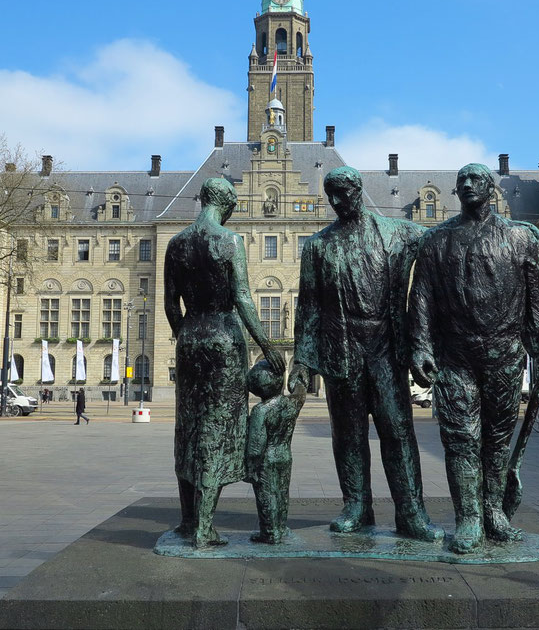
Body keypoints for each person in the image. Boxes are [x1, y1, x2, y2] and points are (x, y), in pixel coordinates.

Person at [409, 163, 539, 554]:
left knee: (495, 439)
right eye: (462, 181)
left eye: (476, 180)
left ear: (491, 189)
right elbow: (421, 297)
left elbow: (535, 297)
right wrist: (421, 347)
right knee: (460, 438)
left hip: (505, 354)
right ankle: (469, 517)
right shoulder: (436, 240)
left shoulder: (520, 238)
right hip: (455, 355)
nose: (467, 185)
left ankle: (493, 508)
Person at [289, 165, 441, 542]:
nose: (336, 202)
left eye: (342, 193)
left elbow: (443, 238)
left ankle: (411, 512)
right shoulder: (319, 246)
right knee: (348, 435)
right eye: (330, 196)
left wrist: (513, 229)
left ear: (358, 190)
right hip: (341, 349)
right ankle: (357, 505)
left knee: (397, 431)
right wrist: (302, 360)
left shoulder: (397, 232)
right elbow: (308, 308)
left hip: (386, 349)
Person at [164, 178, 284, 548]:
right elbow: (245, 298)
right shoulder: (230, 241)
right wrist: (267, 345)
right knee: (218, 429)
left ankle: (187, 522)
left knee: (189, 425)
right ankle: (204, 528)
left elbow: (171, 304)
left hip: (191, 338)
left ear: (202, 200)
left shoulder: (176, 243)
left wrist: (186, 333)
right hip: (224, 340)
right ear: (228, 204)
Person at [245, 359, 306, 544]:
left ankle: (270, 532)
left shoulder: (260, 411)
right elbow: (300, 395)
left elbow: (256, 447)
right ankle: (281, 526)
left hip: (266, 460)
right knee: (282, 493)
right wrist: (299, 381)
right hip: (285, 455)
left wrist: (250, 467)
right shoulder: (290, 404)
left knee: (266, 495)